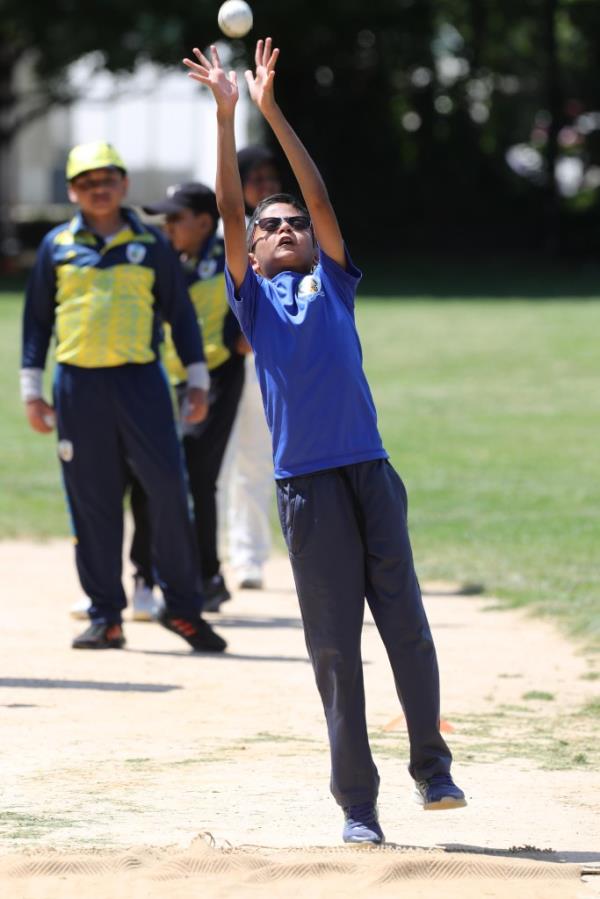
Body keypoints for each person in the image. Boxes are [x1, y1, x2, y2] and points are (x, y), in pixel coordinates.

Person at [183, 39, 466, 843]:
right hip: (305, 486)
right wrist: (227, 113)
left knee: (406, 626)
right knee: (336, 651)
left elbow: (320, 196)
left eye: (292, 225)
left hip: (371, 475)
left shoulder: (333, 283)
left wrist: (273, 109)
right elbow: (232, 212)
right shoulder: (254, 303)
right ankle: (358, 804)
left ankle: (433, 767)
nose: (282, 229)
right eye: (270, 226)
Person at [21, 141, 226, 653]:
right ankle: (105, 614)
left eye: (108, 178)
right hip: (77, 386)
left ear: (125, 184)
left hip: (141, 383)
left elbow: (180, 314)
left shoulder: (151, 244)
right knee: (92, 502)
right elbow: (37, 323)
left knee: (168, 493)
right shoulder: (57, 246)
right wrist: (32, 392)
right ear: (72, 191)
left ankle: (181, 608)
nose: (99, 189)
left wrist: (198, 381)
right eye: (87, 182)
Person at [135, 181, 247, 611]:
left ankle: (207, 576)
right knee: (154, 472)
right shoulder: (168, 259)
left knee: (197, 473)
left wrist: (245, 335)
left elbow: (256, 294)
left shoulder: (229, 258)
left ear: (204, 222)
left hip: (217, 377)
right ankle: (147, 576)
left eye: (175, 218)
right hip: (168, 381)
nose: (167, 226)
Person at [218, 146, 281, 592]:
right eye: (253, 178)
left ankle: (249, 554)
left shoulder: (285, 230)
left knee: (256, 459)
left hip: (263, 359)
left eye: (268, 177)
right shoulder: (217, 228)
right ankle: (211, 551)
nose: (264, 186)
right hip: (213, 362)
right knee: (213, 465)